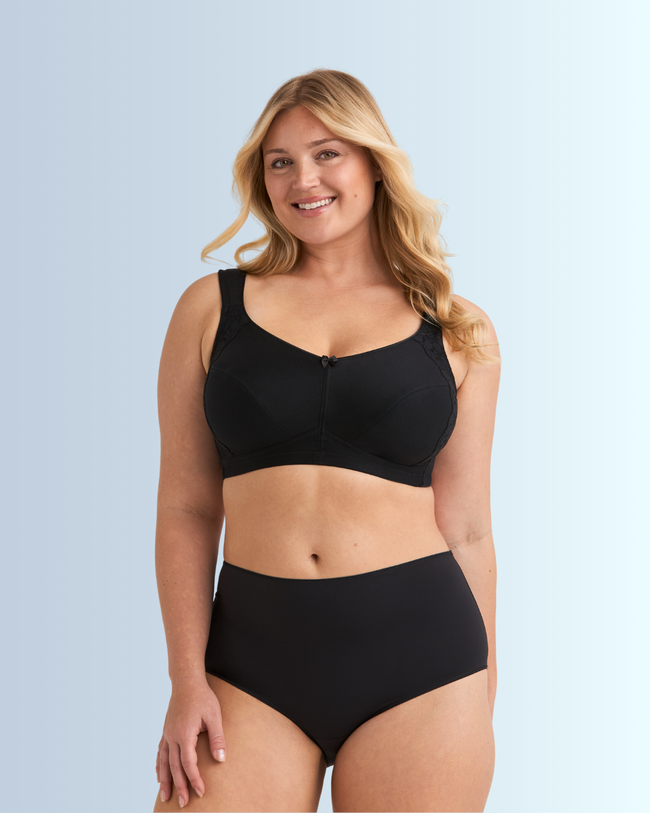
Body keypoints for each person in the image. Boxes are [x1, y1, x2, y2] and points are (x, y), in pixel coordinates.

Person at [153, 69, 500, 813]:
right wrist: (186, 679)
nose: (302, 179)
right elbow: (186, 507)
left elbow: (469, 526)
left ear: (373, 162)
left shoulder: (457, 328)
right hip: (249, 666)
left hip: (424, 665)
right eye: (280, 162)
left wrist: (485, 688)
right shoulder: (211, 309)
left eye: (327, 154)